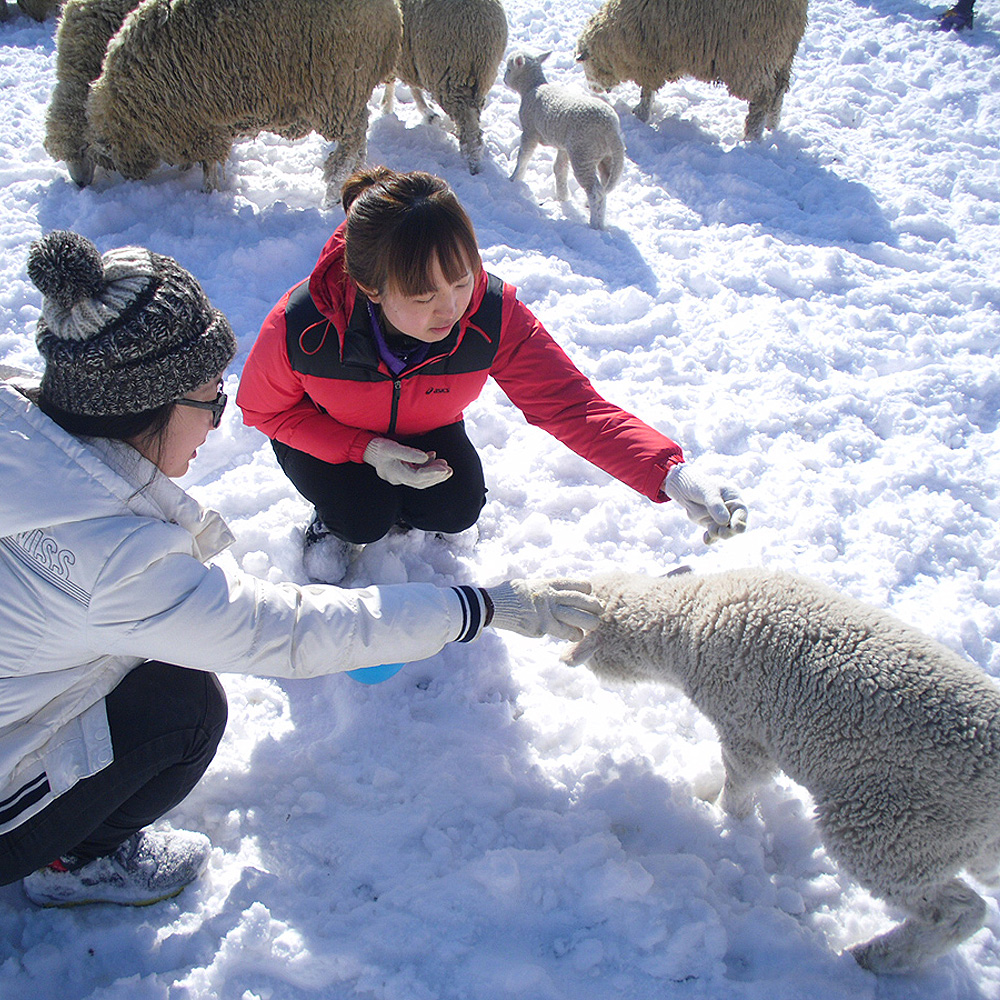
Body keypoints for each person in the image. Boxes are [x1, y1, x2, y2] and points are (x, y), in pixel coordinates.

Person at [0, 230, 602, 908]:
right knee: (185, 707)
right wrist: (481, 607)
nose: (217, 424)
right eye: (208, 400)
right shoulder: (114, 559)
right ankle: (69, 861)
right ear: (143, 405)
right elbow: (285, 632)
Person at [237, 168, 748, 578]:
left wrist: (673, 474)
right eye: (423, 297)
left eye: (461, 282)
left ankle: (397, 514)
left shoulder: (490, 315)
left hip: (423, 430)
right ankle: (339, 519)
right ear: (372, 290)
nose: (451, 308)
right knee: (362, 515)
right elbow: (263, 409)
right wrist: (364, 450)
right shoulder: (304, 325)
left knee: (457, 508)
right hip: (326, 433)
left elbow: (573, 406)